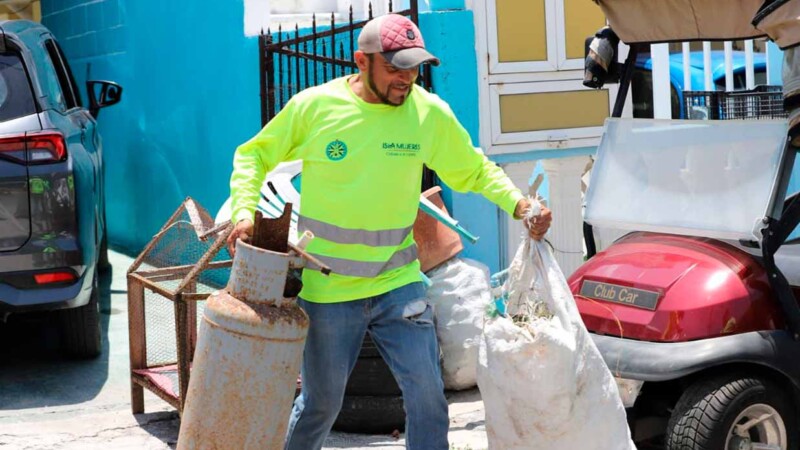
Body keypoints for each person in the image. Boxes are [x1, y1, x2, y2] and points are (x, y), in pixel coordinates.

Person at [227, 13, 552, 450]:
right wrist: (244, 214)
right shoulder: (316, 107)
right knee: (322, 403)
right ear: (362, 61)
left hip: (397, 282)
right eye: (395, 67)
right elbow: (253, 156)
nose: (407, 79)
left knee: (428, 398)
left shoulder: (426, 113)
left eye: (414, 67)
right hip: (330, 290)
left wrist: (519, 204)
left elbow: (471, 169)